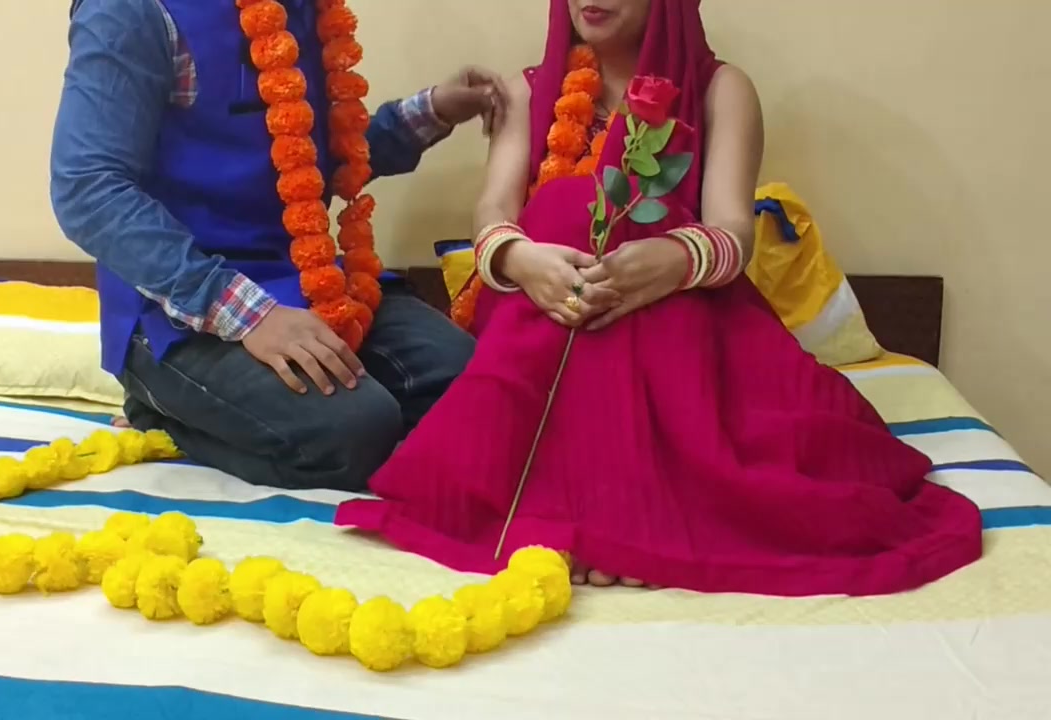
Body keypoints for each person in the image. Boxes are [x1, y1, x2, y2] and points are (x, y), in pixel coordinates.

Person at [335, 0, 984, 597]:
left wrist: (671, 259)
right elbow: (493, 214)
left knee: (620, 232)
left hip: (678, 315)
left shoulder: (721, 89)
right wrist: (522, 259)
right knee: (564, 207)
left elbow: (733, 231)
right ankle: (619, 518)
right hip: (545, 306)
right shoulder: (526, 90)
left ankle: (609, 518)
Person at [51, 0, 504, 492]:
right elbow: (87, 188)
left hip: (301, 278)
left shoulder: (302, 9)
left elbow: (307, 158)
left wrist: (432, 111)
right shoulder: (131, 10)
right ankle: (160, 411)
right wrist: (249, 315)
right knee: (354, 432)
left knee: (474, 385)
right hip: (176, 308)